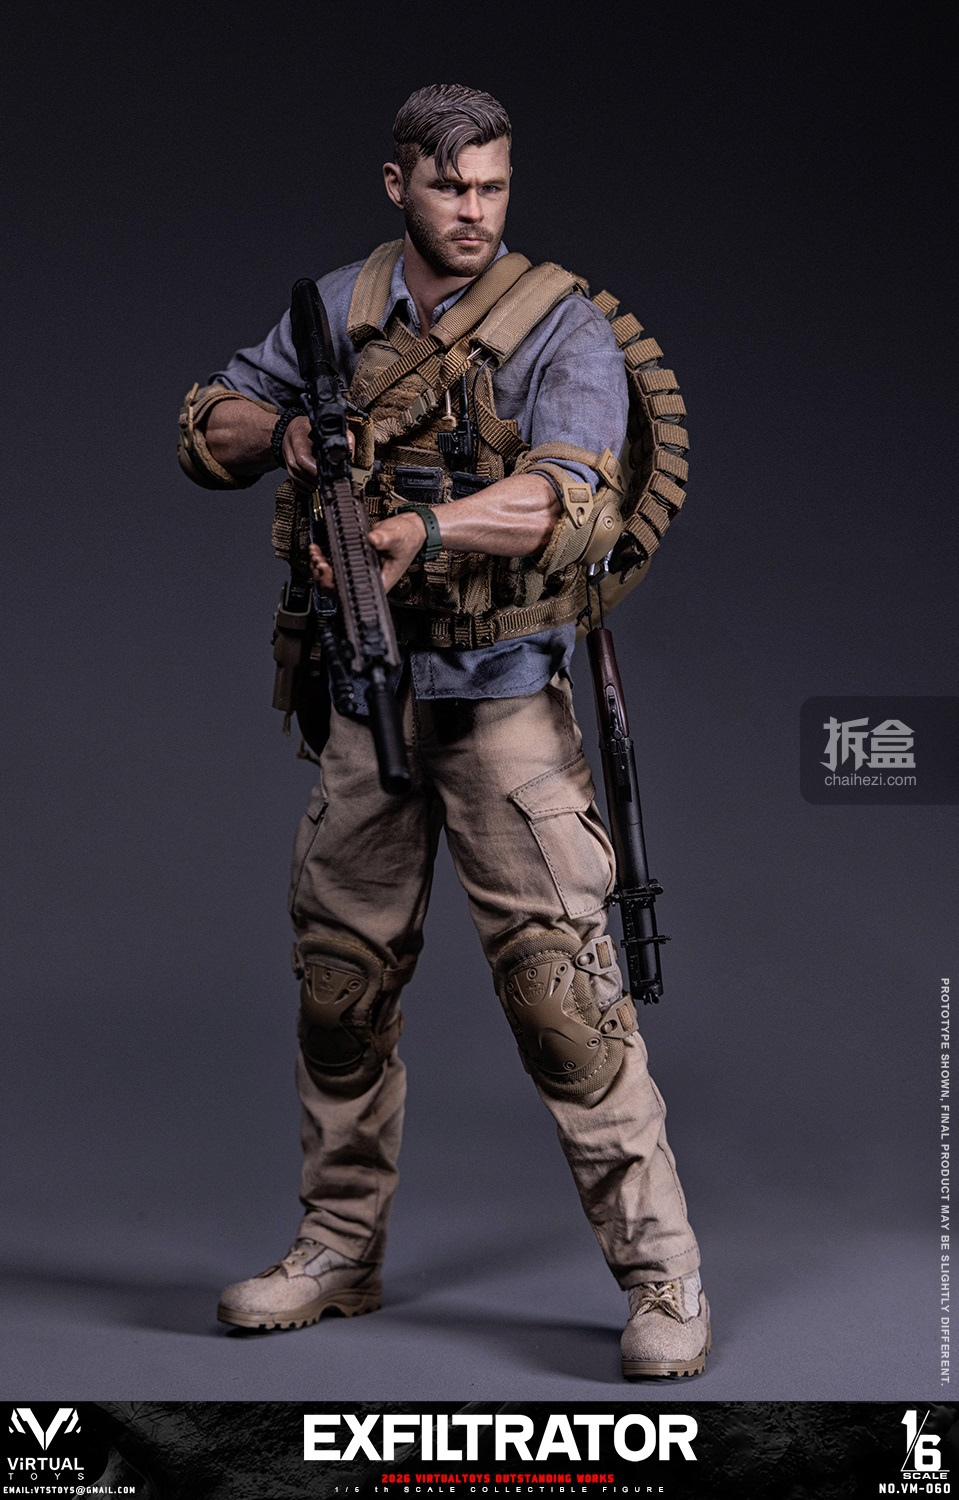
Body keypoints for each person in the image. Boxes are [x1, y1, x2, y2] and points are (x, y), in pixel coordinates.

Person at [177, 83, 709, 1379]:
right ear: (397, 184)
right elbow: (206, 429)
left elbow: (567, 499)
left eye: (492, 187)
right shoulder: (342, 309)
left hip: (501, 705)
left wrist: (426, 528)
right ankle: (337, 1248)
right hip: (366, 704)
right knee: (340, 989)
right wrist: (291, 433)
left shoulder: (559, 325)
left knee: (563, 1001)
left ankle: (665, 1278)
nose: (474, 211)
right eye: (449, 186)